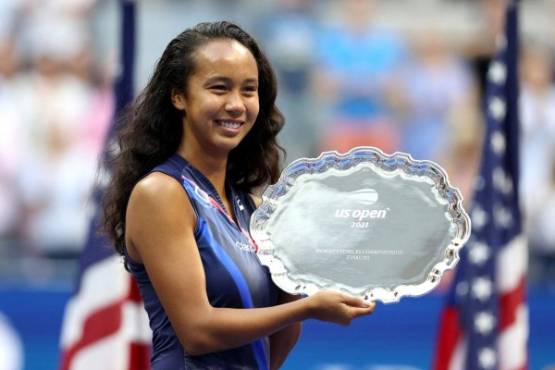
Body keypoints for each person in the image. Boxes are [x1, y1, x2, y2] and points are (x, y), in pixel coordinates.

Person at [103, 21, 375, 370]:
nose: (236, 104)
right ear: (178, 96)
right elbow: (197, 331)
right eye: (219, 88)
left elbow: (274, 346)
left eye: (249, 90)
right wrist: (308, 306)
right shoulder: (160, 194)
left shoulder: (256, 208)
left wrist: (301, 277)